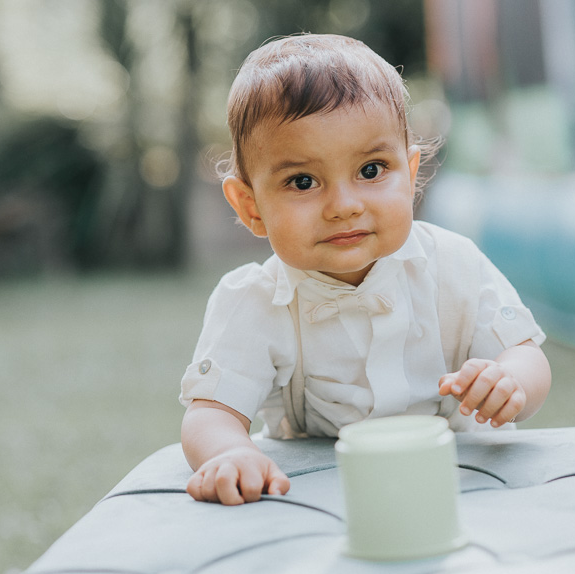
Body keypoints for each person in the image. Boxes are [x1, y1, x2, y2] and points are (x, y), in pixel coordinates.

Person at [179, 33, 551, 505]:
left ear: (411, 175)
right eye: (303, 181)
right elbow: (210, 412)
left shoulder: (454, 265)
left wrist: (510, 381)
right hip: (323, 495)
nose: (344, 206)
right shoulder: (253, 301)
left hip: (464, 482)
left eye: (371, 171)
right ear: (250, 206)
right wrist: (231, 452)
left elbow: (525, 356)